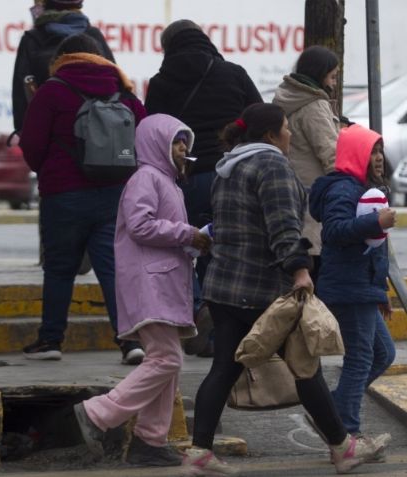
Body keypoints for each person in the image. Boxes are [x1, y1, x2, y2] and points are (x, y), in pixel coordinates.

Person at [181, 104, 382, 476]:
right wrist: (301, 272)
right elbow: (284, 228)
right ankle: (342, 447)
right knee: (306, 368)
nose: (290, 135)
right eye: (287, 128)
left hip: (224, 286)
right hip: (260, 288)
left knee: (223, 368)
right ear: (272, 135)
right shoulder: (271, 165)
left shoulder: (229, 167)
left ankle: (199, 453)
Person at [72, 114, 210, 467]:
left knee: (167, 363)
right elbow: (140, 225)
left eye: (185, 143)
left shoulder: (168, 184)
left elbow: (165, 231)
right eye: (177, 142)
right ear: (156, 144)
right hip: (151, 285)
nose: (183, 149)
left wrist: (195, 241)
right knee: (167, 359)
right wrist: (187, 234)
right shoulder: (146, 178)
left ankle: (150, 440)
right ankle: (99, 413)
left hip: (164, 285)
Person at [18, 33, 147, 363]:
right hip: (113, 194)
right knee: (112, 269)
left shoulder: (52, 91)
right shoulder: (124, 90)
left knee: (60, 269)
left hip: (63, 194)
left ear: (61, 59)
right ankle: (130, 341)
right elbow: (144, 137)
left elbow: (31, 144)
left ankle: (50, 341)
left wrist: (48, 172)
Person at [145, 20, 264, 357]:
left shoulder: (161, 82)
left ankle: (194, 310)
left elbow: (152, 129)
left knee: (184, 247)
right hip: (230, 176)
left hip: (183, 178)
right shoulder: (234, 74)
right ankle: (218, 329)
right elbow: (256, 117)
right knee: (221, 251)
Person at [309, 124, 396, 450]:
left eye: (379, 151)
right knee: (361, 358)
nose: (378, 158)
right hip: (347, 287)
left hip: (362, 287)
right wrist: (377, 222)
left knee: (383, 354)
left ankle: (329, 414)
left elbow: (373, 250)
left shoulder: (359, 188)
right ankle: (348, 432)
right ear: (356, 154)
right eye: (372, 151)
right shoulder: (343, 190)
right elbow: (333, 231)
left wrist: (380, 291)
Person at [273, 45, 341, 278]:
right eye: (332, 77)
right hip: (316, 201)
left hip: (292, 195)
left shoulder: (284, 98)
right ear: (319, 73)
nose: (333, 84)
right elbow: (331, 154)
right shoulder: (314, 105)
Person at [12, 0, 114, 132]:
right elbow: (116, 85)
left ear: (43, 4)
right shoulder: (94, 35)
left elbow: (21, 93)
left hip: (49, 132)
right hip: (95, 134)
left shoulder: (32, 39)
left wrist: (23, 131)